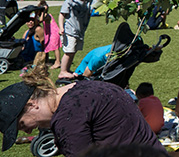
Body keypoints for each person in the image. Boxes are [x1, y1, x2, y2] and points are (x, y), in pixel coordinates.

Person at [0, 66, 164, 157]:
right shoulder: (91, 86)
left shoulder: (67, 118)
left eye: (22, 124)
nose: (28, 130)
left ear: (31, 104)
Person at [58, 0, 92, 79]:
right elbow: (61, 14)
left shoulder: (88, 1)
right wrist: (61, 27)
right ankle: (62, 71)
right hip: (69, 30)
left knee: (73, 52)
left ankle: (67, 70)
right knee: (69, 52)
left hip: (79, 31)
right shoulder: (69, 1)